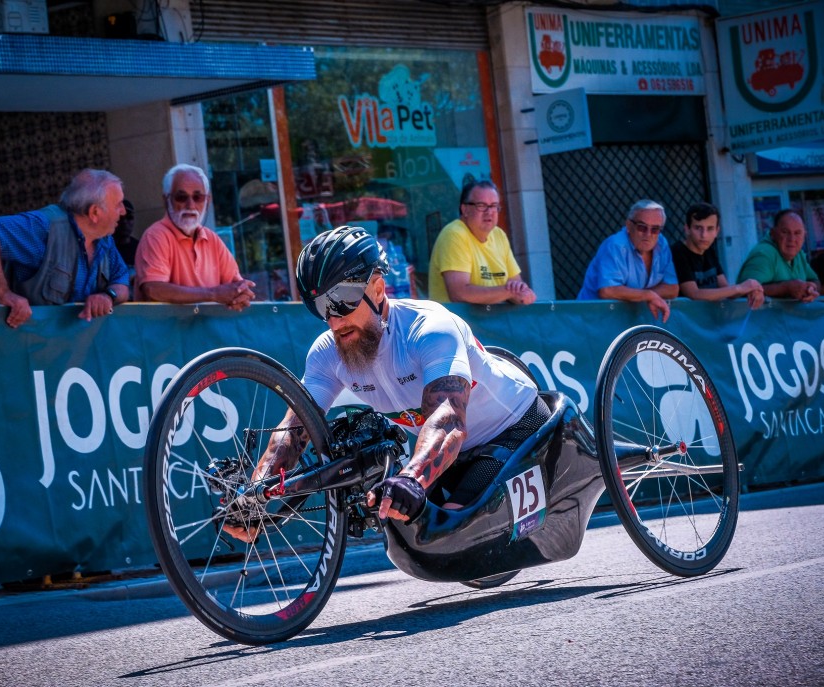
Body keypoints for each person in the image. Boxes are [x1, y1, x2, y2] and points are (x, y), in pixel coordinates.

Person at [223, 225, 545, 542]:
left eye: (343, 299)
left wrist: (411, 478)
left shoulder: (429, 329)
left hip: (516, 428)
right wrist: (256, 496)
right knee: (400, 526)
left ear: (378, 290)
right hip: (457, 455)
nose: (334, 320)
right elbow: (292, 433)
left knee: (450, 532)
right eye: (321, 305)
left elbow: (448, 421)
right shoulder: (326, 353)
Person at [0, 168, 130, 329]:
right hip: (25, 344)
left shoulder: (104, 240)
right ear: (95, 212)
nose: (123, 211)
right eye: (118, 205)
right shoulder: (46, 227)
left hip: (74, 350)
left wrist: (108, 296)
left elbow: (121, 281)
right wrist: (3, 293)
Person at [134, 163, 255, 310]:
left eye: (198, 197)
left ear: (207, 201)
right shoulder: (156, 236)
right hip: (169, 332)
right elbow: (153, 290)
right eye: (181, 197)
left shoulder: (212, 239)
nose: (190, 205)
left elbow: (236, 286)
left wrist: (241, 294)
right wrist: (213, 294)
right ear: (166, 201)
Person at [427, 179, 535, 305]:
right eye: (481, 206)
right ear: (465, 210)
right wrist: (508, 291)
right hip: (457, 323)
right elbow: (459, 293)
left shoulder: (499, 234)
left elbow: (517, 287)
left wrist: (522, 293)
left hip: (494, 322)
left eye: (494, 206)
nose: (489, 212)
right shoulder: (454, 234)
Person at [577, 199, 679, 322]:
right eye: (642, 227)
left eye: (655, 229)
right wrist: (648, 295)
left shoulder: (661, 243)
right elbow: (608, 290)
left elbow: (672, 288)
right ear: (629, 226)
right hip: (594, 320)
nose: (648, 234)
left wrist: (641, 295)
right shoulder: (615, 245)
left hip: (629, 320)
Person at [671, 202, 764, 309]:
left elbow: (726, 289)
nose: (704, 235)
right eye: (698, 228)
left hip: (708, 321)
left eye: (710, 228)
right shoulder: (678, 251)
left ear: (717, 231)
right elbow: (694, 294)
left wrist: (752, 289)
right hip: (685, 321)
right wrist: (740, 288)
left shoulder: (709, 251)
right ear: (687, 229)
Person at [737, 209, 820, 302]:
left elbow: (815, 281)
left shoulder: (798, 253)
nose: (792, 239)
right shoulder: (764, 254)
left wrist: (810, 289)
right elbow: (745, 290)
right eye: (785, 232)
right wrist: (786, 288)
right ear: (773, 234)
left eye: (797, 233)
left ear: (804, 235)